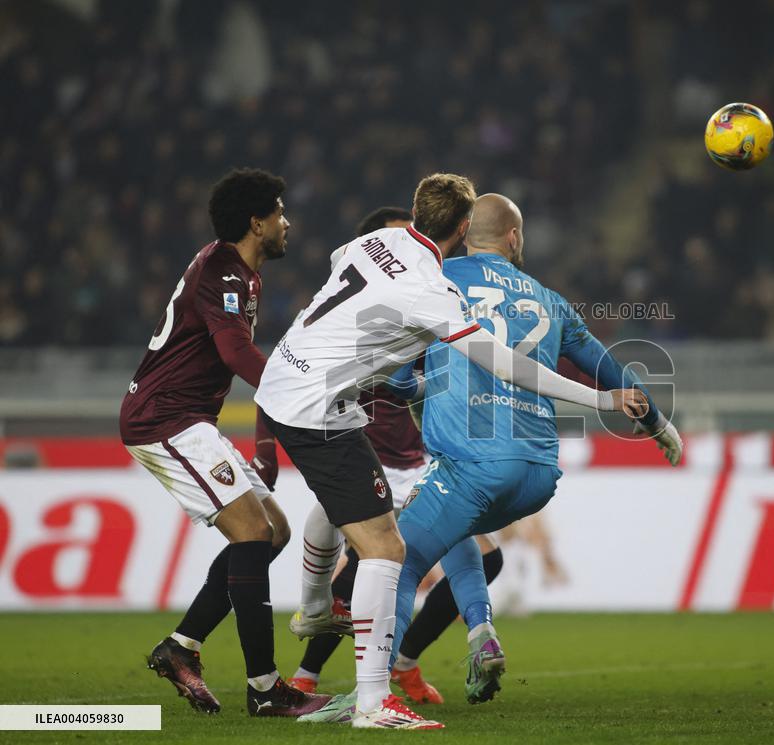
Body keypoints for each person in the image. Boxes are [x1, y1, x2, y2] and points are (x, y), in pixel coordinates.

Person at [254, 174, 645, 730]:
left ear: (415, 211)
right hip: (319, 409)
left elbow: (345, 264)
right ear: (463, 229)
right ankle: (368, 699)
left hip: (291, 382)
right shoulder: (432, 292)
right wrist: (599, 397)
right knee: (388, 551)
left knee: (364, 529)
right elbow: (507, 364)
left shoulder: (370, 244)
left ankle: (319, 615)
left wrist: (382, 358)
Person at [121, 169, 331, 717]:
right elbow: (238, 355)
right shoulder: (223, 271)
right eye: (280, 213)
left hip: (190, 419)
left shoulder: (237, 271)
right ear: (257, 222)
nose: (288, 223)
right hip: (164, 419)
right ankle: (264, 689)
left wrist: (268, 434)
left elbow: (238, 357)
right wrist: (299, 398)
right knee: (254, 530)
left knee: (271, 532)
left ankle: (181, 646)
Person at [286, 207, 505, 706]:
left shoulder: (425, 301)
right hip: (369, 459)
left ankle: (403, 660)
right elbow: (291, 367)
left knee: (483, 559)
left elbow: (442, 375)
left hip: (423, 462)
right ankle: (309, 674)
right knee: (367, 564)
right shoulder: (354, 310)